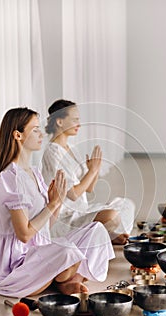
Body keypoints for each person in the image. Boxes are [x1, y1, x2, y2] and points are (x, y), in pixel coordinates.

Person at [0, 107, 115, 298]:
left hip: (41, 253)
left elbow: (45, 227)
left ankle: (63, 279)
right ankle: (66, 278)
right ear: (17, 135)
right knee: (67, 251)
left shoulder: (35, 173)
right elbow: (24, 234)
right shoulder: (11, 177)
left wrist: (59, 200)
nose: (41, 134)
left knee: (96, 231)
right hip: (16, 267)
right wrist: (52, 205)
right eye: (35, 129)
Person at [42, 99, 135, 245]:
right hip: (64, 218)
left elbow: (89, 188)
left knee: (126, 205)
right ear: (59, 122)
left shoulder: (72, 148)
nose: (79, 124)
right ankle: (106, 236)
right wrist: (92, 171)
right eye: (75, 120)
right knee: (112, 216)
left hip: (81, 210)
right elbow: (73, 194)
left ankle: (108, 235)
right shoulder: (52, 153)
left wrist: (95, 169)